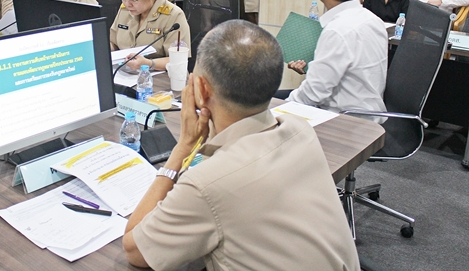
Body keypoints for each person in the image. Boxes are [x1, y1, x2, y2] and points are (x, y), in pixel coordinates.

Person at [123, 19, 360, 271]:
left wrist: (183, 148)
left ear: (201, 88)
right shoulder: (300, 130)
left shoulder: (206, 184)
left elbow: (134, 250)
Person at [286, 0, 387, 115]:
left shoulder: (337, 30)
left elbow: (313, 94)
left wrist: (281, 107)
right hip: (371, 114)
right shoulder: (374, 20)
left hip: (342, 119)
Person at [110, 0, 190, 71]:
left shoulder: (174, 15)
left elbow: (179, 60)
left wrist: (149, 63)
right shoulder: (125, 9)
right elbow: (113, 42)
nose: (127, 4)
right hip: (123, 73)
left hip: (159, 77)